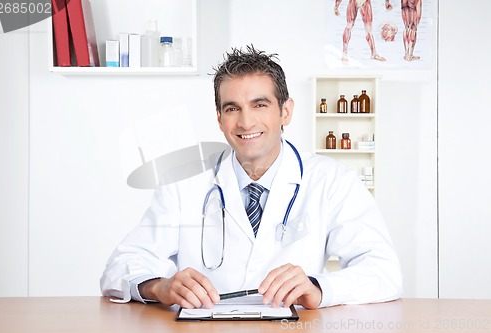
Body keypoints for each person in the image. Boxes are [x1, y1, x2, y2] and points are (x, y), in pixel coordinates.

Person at [100, 45, 402, 310]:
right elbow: (121, 266)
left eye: (260, 104)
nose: (246, 122)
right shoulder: (184, 182)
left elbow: (384, 271)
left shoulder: (332, 181)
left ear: (285, 111)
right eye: (232, 108)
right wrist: (159, 287)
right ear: (219, 119)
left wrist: (319, 288)